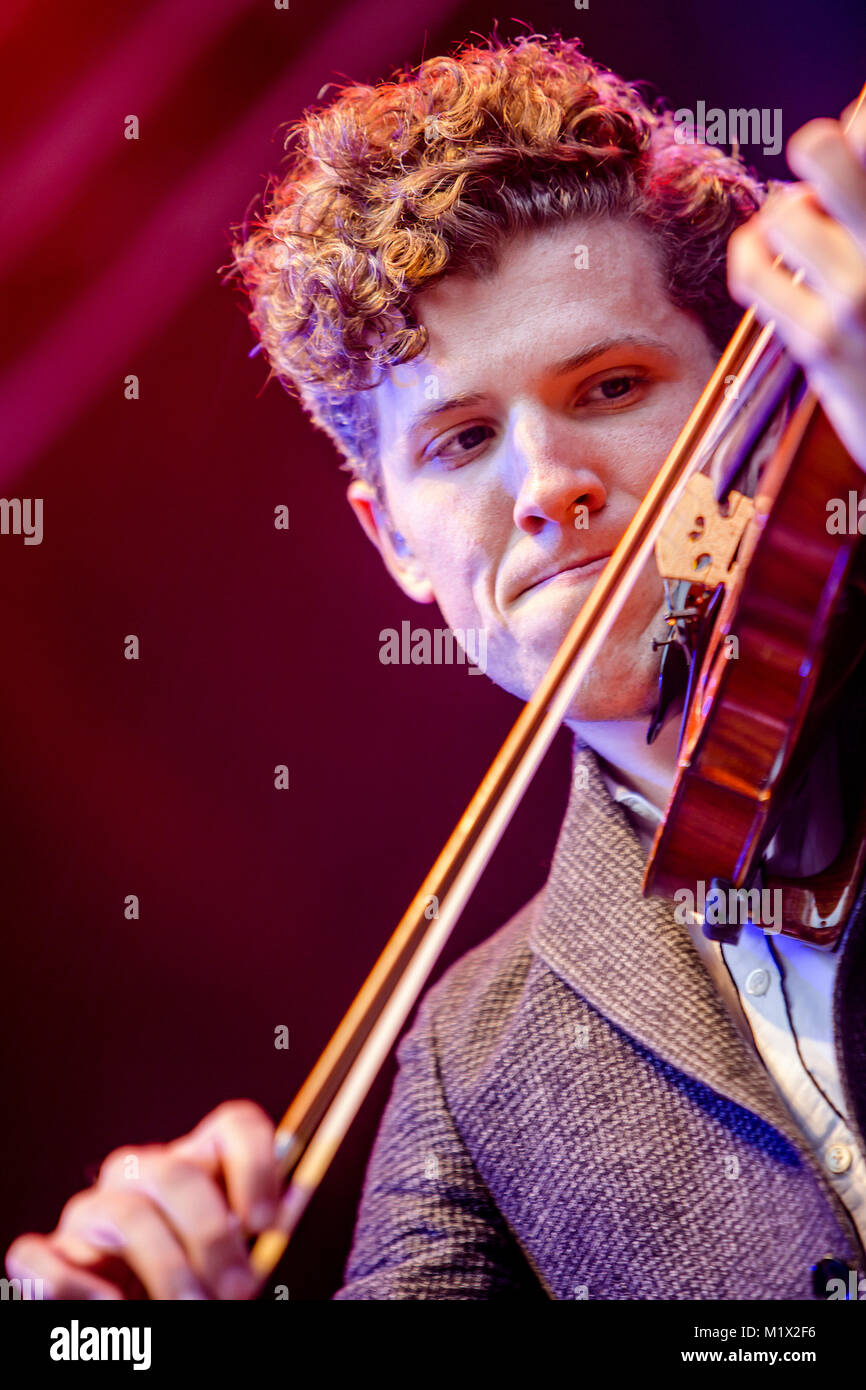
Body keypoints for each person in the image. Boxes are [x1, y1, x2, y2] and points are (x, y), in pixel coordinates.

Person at [6, 34, 866, 1300]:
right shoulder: (468, 1064)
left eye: (612, 383)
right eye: (462, 442)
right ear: (392, 540)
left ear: (757, 395)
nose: (548, 491)